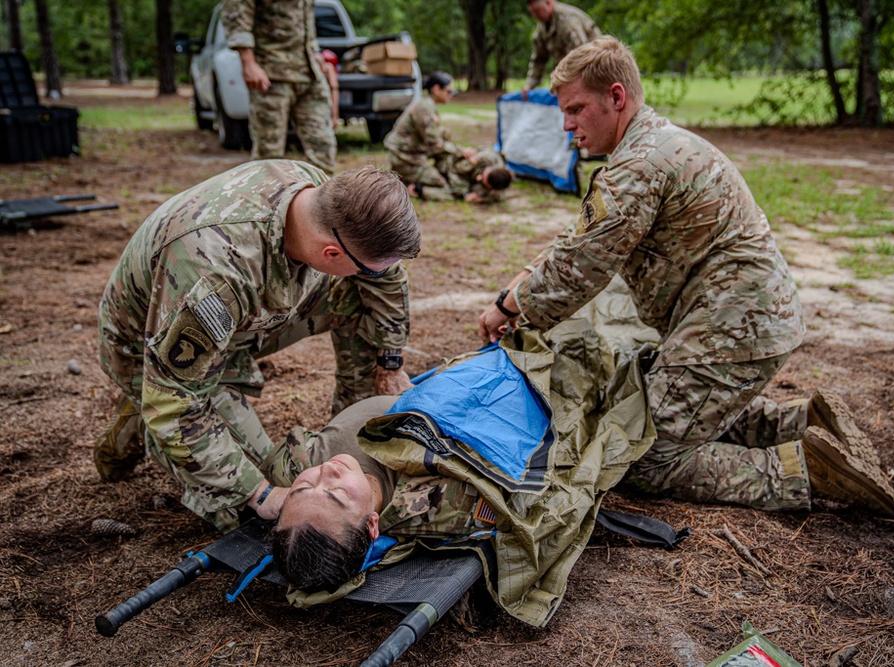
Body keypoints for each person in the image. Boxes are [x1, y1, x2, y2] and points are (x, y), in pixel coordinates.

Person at [479, 37, 894, 519]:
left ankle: (804, 468)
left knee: (643, 455)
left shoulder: (636, 165)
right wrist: (523, 282)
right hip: (742, 317)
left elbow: (582, 265)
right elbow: (581, 239)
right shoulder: (653, 144)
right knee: (672, 403)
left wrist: (510, 306)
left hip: (732, 323)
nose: (566, 124)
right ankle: (803, 421)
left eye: (576, 108)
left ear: (616, 97)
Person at [267, 316, 657, 627]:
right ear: (372, 526)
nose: (324, 474)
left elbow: (276, 466)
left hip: (456, 376)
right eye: (336, 494)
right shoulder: (435, 501)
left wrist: (276, 495)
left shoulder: (300, 464)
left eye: (303, 489)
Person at [94, 161, 420, 533]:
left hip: (244, 315)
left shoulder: (326, 200)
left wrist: (390, 360)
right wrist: (260, 493)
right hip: (151, 345)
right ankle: (136, 416)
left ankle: (351, 430)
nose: (379, 274)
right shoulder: (216, 275)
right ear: (331, 254)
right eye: (371, 267)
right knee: (254, 497)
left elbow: (388, 276)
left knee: (362, 298)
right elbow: (173, 401)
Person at [222, 0, 338, 173]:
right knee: (269, 155)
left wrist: (313, 51)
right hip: (272, 75)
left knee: (323, 147)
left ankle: (320, 198)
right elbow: (237, 12)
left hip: (309, 72)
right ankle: (270, 198)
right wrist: (248, 63)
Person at [384, 71, 487, 201]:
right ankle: (416, 190)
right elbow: (435, 144)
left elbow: (438, 138)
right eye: (448, 91)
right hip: (407, 159)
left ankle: (404, 183)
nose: (451, 95)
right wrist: (462, 152)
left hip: (410, 156)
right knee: (443, 185)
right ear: (436, 89)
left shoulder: (427, 105)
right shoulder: (424, 108)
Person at [521, 0, 601, 101]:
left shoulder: (567, 22)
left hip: (593, 69)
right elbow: (539, 58)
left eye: (537, 11)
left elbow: (581, 56)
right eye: (532, 12)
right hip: (571, 71)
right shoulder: (543, 27)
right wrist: (530, 85)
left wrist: (564, 81)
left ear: (548, 3)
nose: (535, 16)